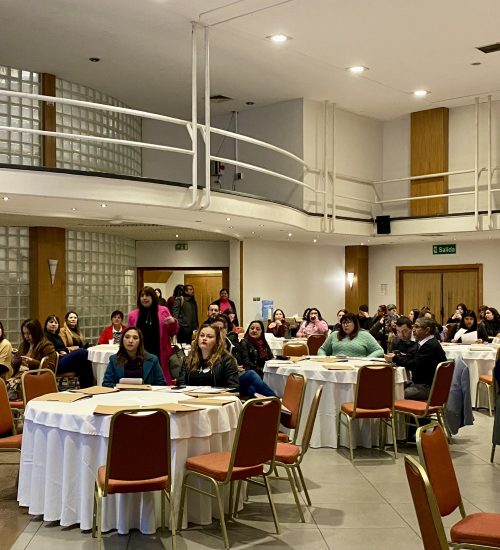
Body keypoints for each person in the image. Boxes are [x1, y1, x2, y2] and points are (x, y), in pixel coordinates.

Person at [211, 315, 276, 397]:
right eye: (215, 329)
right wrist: (231, 367)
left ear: (226, 330)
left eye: (221, 329)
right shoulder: (244, 343)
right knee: (252, 375)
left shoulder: (228, 343)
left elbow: (238, 362)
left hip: (235, 375)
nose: (254, 331)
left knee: (251, 388)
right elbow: (246, 363)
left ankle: (269, 402)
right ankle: (275, 400)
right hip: (223, 378)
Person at [386, 316, 447, 400]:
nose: (413, 330)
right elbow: (410, 356)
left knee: (396, 393)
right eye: (414, 326)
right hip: (422, 383)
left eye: (417, 327)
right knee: (392, 386)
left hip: (429, 387)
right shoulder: (423, 343)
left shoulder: (429, 346)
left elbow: (413, 365)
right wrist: (398, 356)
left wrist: (394, 359)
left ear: (427, 330)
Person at [128, 286, 178, 384]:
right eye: (142, 296)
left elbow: (172, 332)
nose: (144, 298)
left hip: (160, 353)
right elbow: (128, 334)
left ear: (153, 297)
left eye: (147, 295)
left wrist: (173, 322)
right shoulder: (132, 315)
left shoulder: (164, 311)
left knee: (160, 381)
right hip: (139, 354)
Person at [176, 324, 239, 389]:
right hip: (190, 395)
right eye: (202, 335)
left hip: (218, 395)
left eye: (209, 336)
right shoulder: (188, 359)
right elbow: (181, 384)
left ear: (217, 341)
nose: (204, 338)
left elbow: (233, 387)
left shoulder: (227, 360)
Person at [102, 327, 166, 387]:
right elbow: (106, 383)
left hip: (146, 394)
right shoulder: (114, 359)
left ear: (140, 341)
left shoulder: (153, 359)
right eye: (127, 337)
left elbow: (161, 384)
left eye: (135, 338)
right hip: (121, 394)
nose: (130, 341)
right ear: (122, 340)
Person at [44, 314, 94, 388]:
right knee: (82, 352)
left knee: (85, 363)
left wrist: (65, 351)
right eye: (51, 322)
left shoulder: (57, 336)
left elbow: (64, 348)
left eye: (56, 323)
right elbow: (49, 350)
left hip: (64, 357)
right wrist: (59, 352)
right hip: (56, 362)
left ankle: (87, 388)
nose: (53, 324)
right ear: (46, 324)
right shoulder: (45, 336)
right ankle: (88, 386)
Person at [318, 313, 383, 357]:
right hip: (336, 367)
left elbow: (379, 351)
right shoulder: (334, 335)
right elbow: (322, 350)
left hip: (357, 368)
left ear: (355, 324)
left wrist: (367, 359)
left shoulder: (365, 335)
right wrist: (324, 358)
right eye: (343, 323)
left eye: (348, 322)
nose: (345, 325)